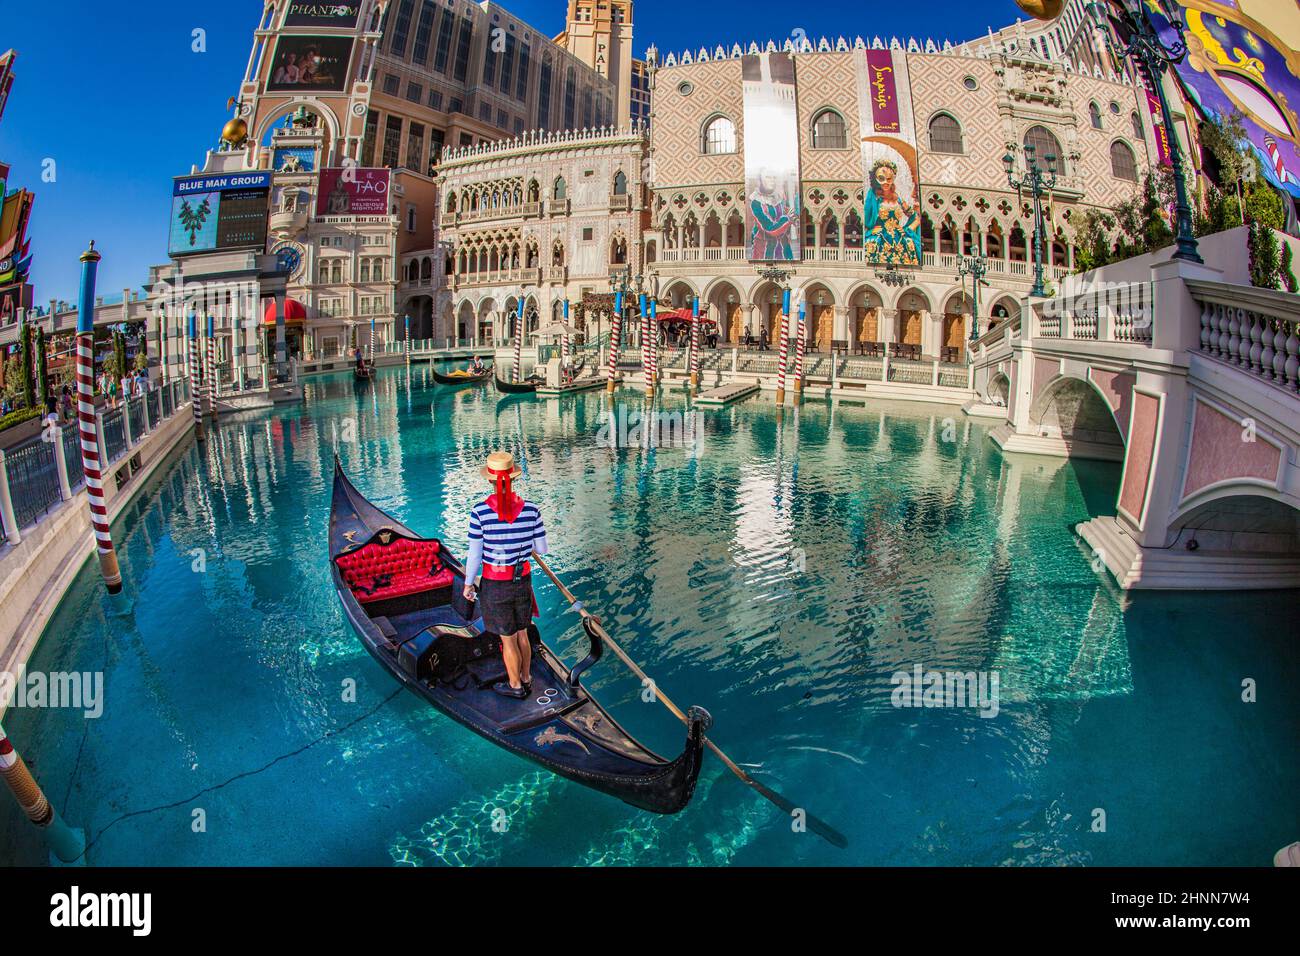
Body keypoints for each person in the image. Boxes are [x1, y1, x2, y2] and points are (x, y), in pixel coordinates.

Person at [463, 452, 549, 700]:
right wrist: (521, 542)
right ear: (513, 479)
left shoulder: (479, 513)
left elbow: (475, 556)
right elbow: (541, 549)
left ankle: (515, 686)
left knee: (508, 639)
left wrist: (468, 585)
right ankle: (526, 677)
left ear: (490, 480)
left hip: (495, 584)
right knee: (523, 631)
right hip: (522, 581)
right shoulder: (532, 510)